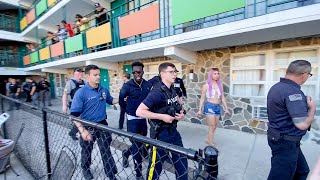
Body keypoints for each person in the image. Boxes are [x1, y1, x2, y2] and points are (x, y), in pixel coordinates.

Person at [136, 62, 188, 180]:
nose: (175, 74)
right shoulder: (156, 92)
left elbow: (178, 106)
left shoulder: (173, 90)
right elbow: (139, 111)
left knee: (182, 163)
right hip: (160, 136)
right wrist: (162, 117)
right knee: (155, 168)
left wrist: (181, 114)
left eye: (175, 72)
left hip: (173, 133)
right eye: (171, 72)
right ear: (162, 74)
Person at [267, 60, 316, 180]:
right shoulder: (293, 92)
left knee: (302, 171)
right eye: (309, 75)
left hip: (281, 139)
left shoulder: (276, 87)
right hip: (286, 142)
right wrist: (312, 108)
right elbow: (302, 124)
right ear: (304, 74)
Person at [70, 65, 118, 180]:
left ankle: (111, 174)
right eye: (95, 75)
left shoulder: (103, 89)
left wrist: (122, 98)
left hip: (102, 124)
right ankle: (85, 168)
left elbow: (111, 101)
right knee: (86, 151)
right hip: (87, 126)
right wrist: (82, 131)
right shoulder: (81, 93)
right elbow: (74, 115)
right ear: (87, 76)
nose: (98, 77)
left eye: (99, 75)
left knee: (106, 150)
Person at [119, 62, 151, 179]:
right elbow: (121, 99)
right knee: (137, 145)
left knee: (140, 143)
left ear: (143, 72)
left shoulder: (147, 85)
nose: (136, 74)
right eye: (134, 72)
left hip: (143, 119)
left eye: (139, 72)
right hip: (132, 119)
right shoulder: (127, 86)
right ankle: (138, 173)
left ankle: (126, 153)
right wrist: (128, 110)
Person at [196, 68, 230, 146]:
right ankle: (211, 143)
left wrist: (226, 108)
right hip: (209, 106)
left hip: (218, 106)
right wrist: (199, 110)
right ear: (211, 75)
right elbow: (202, 98)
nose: (217, 75)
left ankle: (208, 139)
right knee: (212, 126)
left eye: (218, 73)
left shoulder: (220, 85)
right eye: (215, 73)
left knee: (215, 126)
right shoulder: (206, 86)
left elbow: (222, 97)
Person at [62, 68, 85, 140]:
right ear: (74, 73)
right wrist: (64, 105)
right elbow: (65, 94)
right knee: (78, 120)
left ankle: (73, 132)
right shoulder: (70, 82)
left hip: (84, 105)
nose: (80, 74)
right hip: (74, 105)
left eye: (81, 72)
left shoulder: (84, 82)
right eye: (78, 72)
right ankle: (75, 133)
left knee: (82, 120)